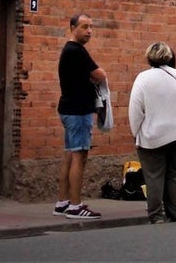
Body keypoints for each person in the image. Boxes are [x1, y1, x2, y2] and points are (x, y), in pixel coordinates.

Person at [129, 42, 176, 223]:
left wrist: (136, 132)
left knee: (154, 175)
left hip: (153, 134)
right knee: (173, 173)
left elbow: (135, 110)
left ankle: (156, 214)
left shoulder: (143, 78)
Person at [54, 13, 107, 219]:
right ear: (72, 28)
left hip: (69, 108)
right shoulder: (76, 51)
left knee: (69, 154)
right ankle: (75, 206)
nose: (89, 31)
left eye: (91, 27)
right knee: (79, 155)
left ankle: (62, 202)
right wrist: (94, 76)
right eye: (84, 27)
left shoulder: (70, 51)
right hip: (78, 110)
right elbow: (100, 75)